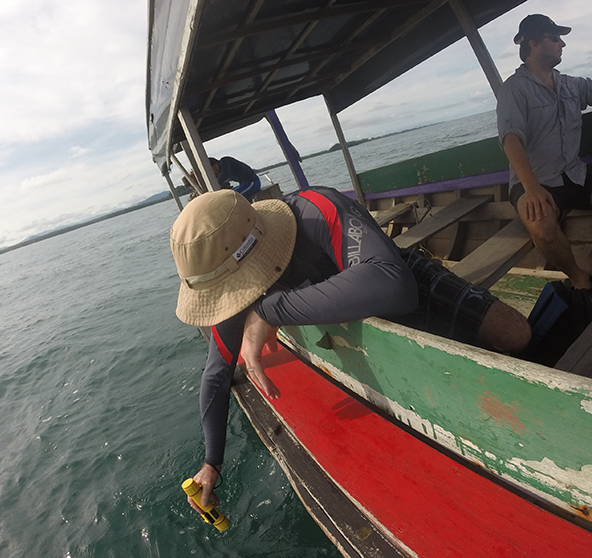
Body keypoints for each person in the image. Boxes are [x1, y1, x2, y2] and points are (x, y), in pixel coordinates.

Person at [170, 187, 531, 514]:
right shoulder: (226, 278)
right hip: (353, 323)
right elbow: (216, 375)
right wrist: (211, 463)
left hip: (397, 279)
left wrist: (268, 310)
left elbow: (392, 285)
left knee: (517, 335)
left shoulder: (316, 209)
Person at [497, 14, 592, 289]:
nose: (562, 44)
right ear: (534, 43)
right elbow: (511, 138)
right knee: (541, 225)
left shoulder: (570, 85)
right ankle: (579, 278)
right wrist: (532, 189)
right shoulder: (513, 90)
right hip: (535, 181)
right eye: (555, 38)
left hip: (574, 173)